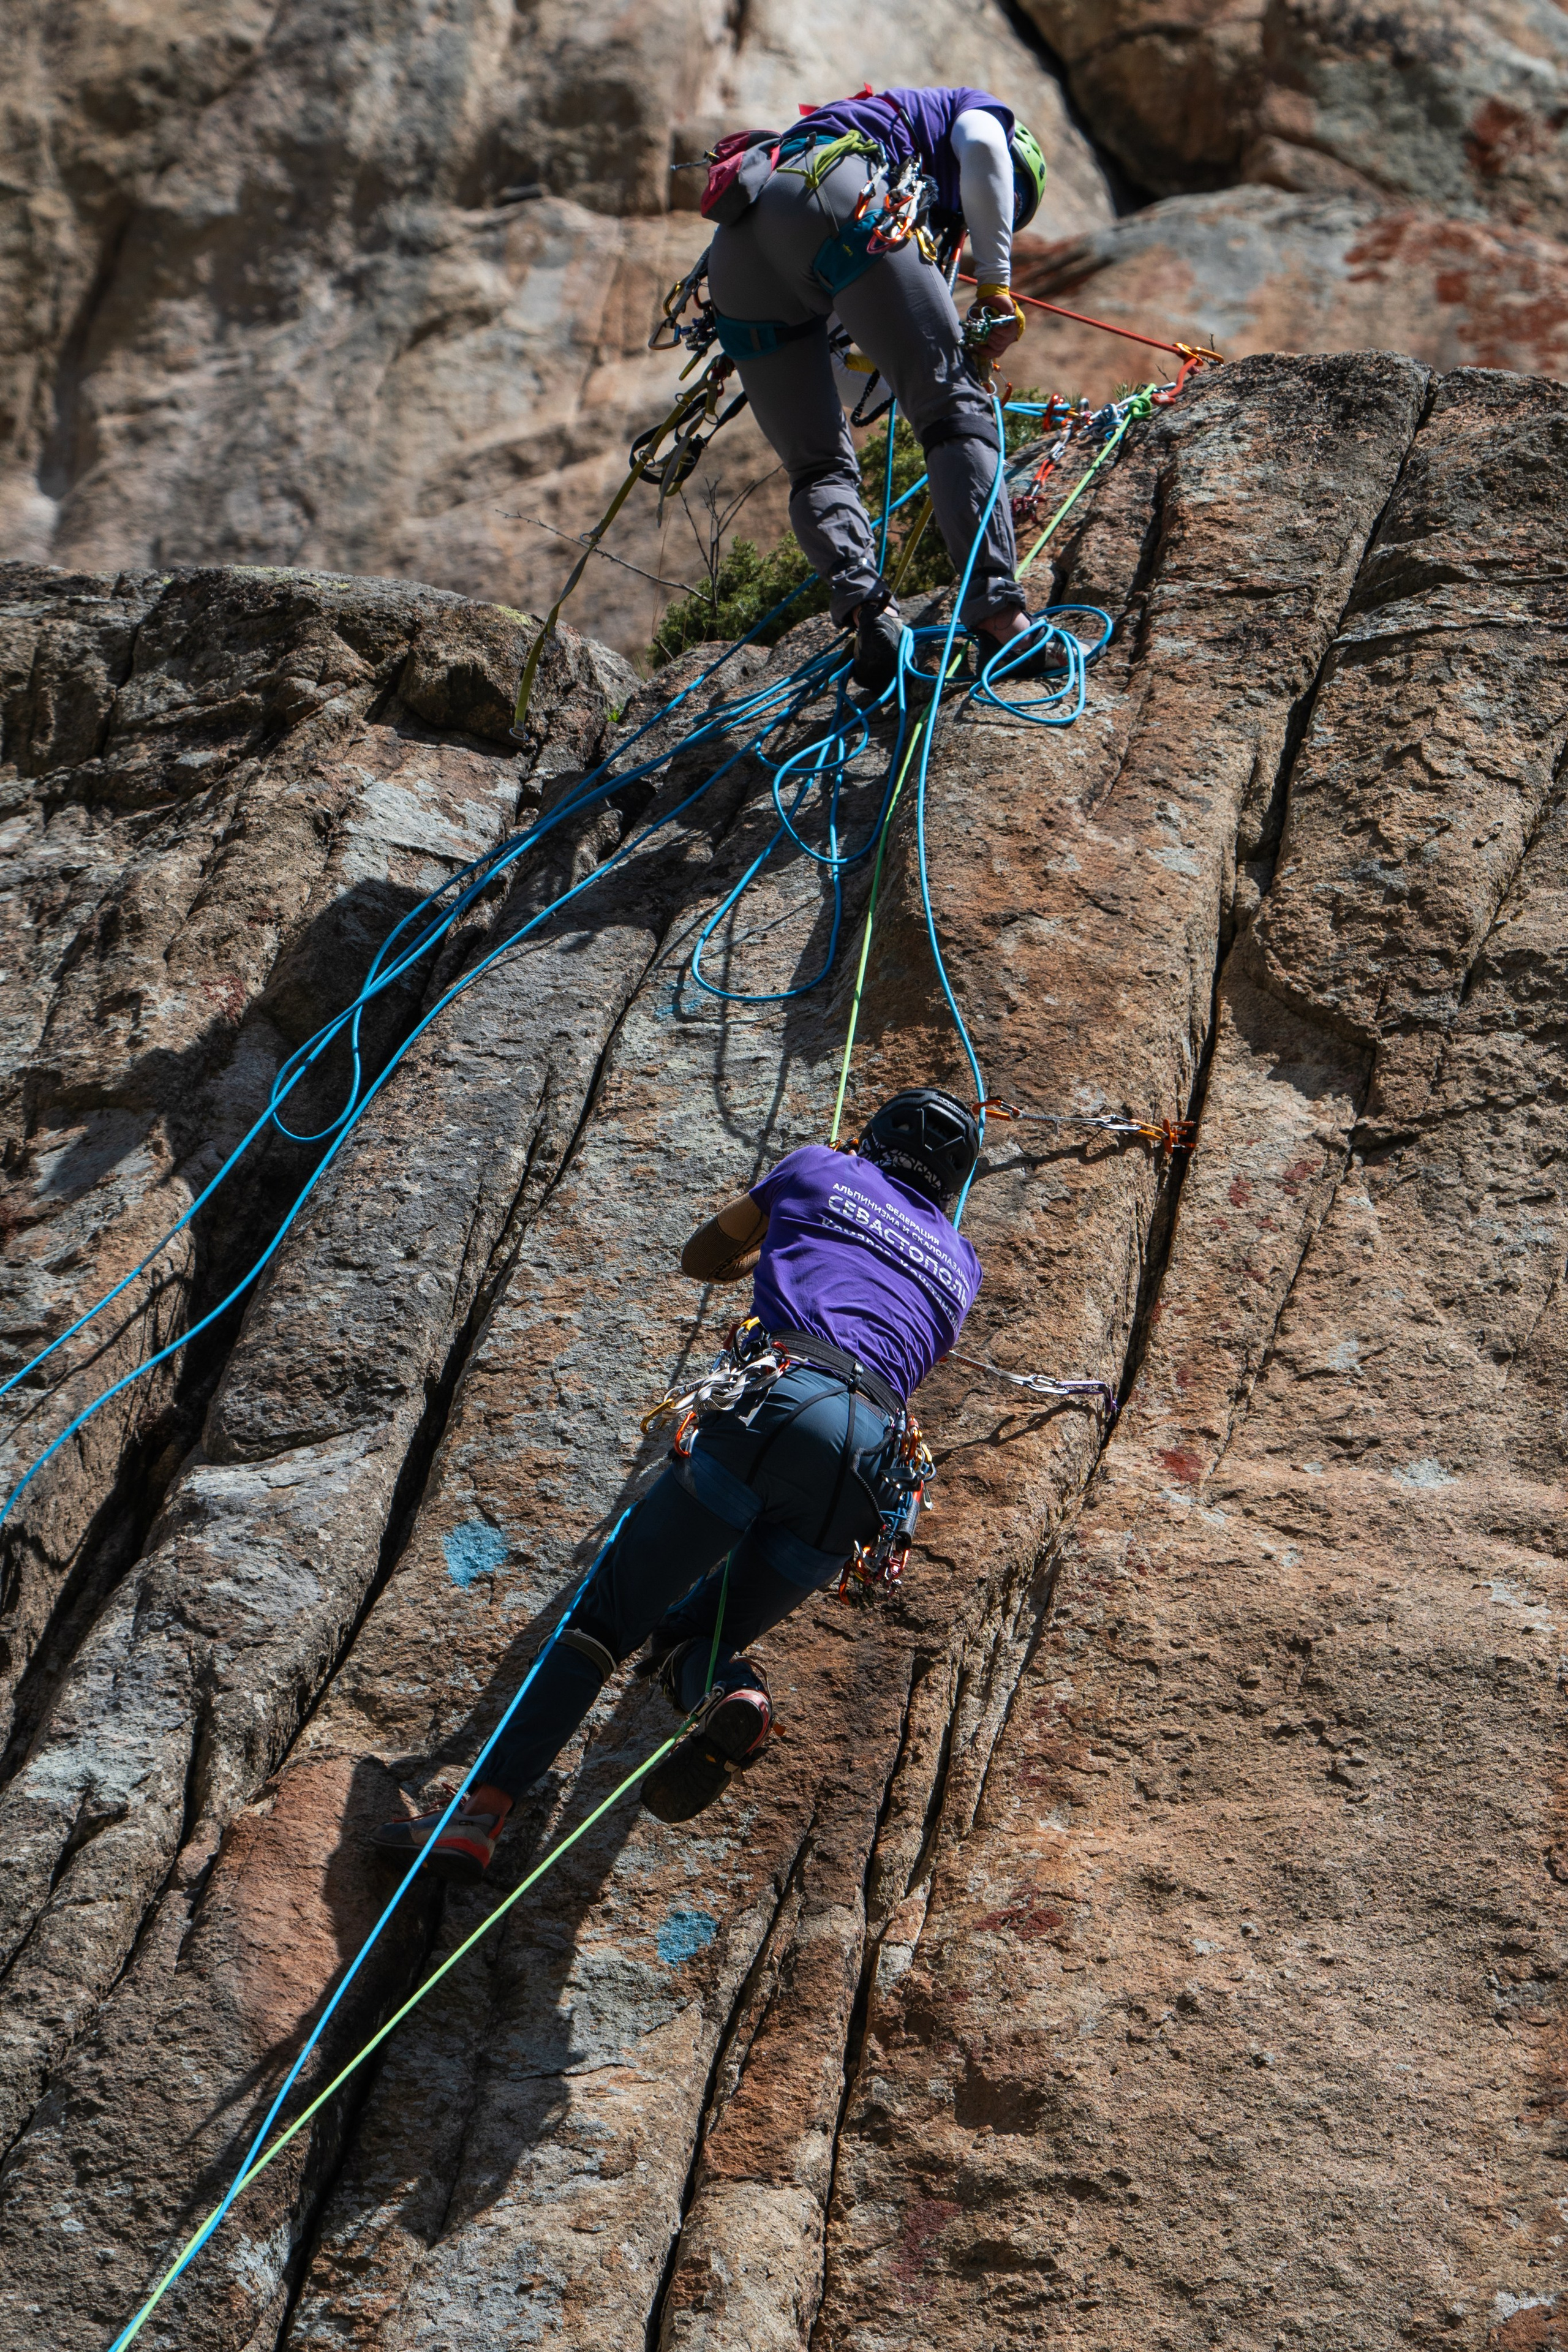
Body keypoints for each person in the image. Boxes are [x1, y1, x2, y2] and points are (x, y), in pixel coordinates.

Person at [373, 1090, 984, 1880]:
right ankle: (733, 1692)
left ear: (872, 1137)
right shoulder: (961, 1262)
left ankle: (478, 1818)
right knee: (697, 1636)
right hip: (871, 1468)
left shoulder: (819, 1169)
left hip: (781, 1408)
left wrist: (780, 1238)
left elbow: (700, 1261)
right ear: (954, 1180)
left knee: (607, 1621)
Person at [705, 86, 1051, 692]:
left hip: (738, 250)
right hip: (838, 193)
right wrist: (995, 286)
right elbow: (983, 151)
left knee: (816, 466)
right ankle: (1001, 619)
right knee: (953, 407)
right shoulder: (965, 110)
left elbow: (846, 373)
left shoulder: (885, 165)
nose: (981, 215)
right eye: (1011, 202)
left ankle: (871, 612)